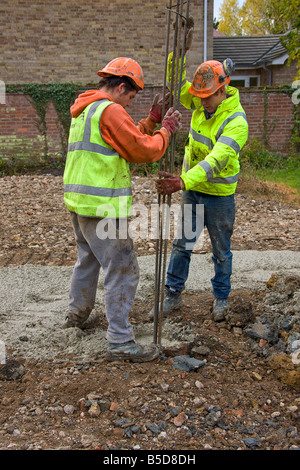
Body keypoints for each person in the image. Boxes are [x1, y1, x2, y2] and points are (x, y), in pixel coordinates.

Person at [63, 57, 181, 362]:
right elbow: (142, 149)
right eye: (131, 97)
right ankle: (119, 340)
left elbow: (122, 138)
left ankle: (76, 315)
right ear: (121, 87)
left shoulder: (87, 108)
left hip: (81, 205)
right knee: (124, 268)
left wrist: (152, 122)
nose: (129, 104)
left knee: (87, 261)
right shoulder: (110, 110)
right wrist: (166, 131)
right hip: (103, 209)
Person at [155, 51, 248, 322]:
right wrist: (178, 53)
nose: (202, 102)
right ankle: (173, 294)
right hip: (193, 192)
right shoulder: (200, 101)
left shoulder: (236, 122)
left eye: (207, 97)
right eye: (199, 97)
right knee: (182, 244)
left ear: (223, 90)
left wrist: (182, 181)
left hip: (219, 197)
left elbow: (215, 161)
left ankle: (221, 298)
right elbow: (175, 83)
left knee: (221, 251)